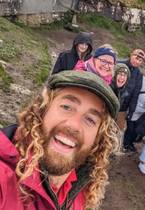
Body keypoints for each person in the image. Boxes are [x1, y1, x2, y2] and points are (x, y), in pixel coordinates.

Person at [0, 71, 120, 210]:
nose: (74, 125)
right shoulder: (4, 179)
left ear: (98, 139)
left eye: (90, 119)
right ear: (42, 110)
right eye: (66, 107)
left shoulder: (83, 187)